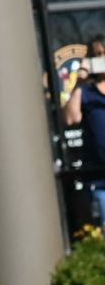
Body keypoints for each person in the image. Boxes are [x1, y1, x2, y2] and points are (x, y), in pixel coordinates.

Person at [63, 36, 105, 225]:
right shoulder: (86, 92)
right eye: (97, 55)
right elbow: (71, 118)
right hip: (100, 178)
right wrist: (79, 82)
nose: (102, 59)